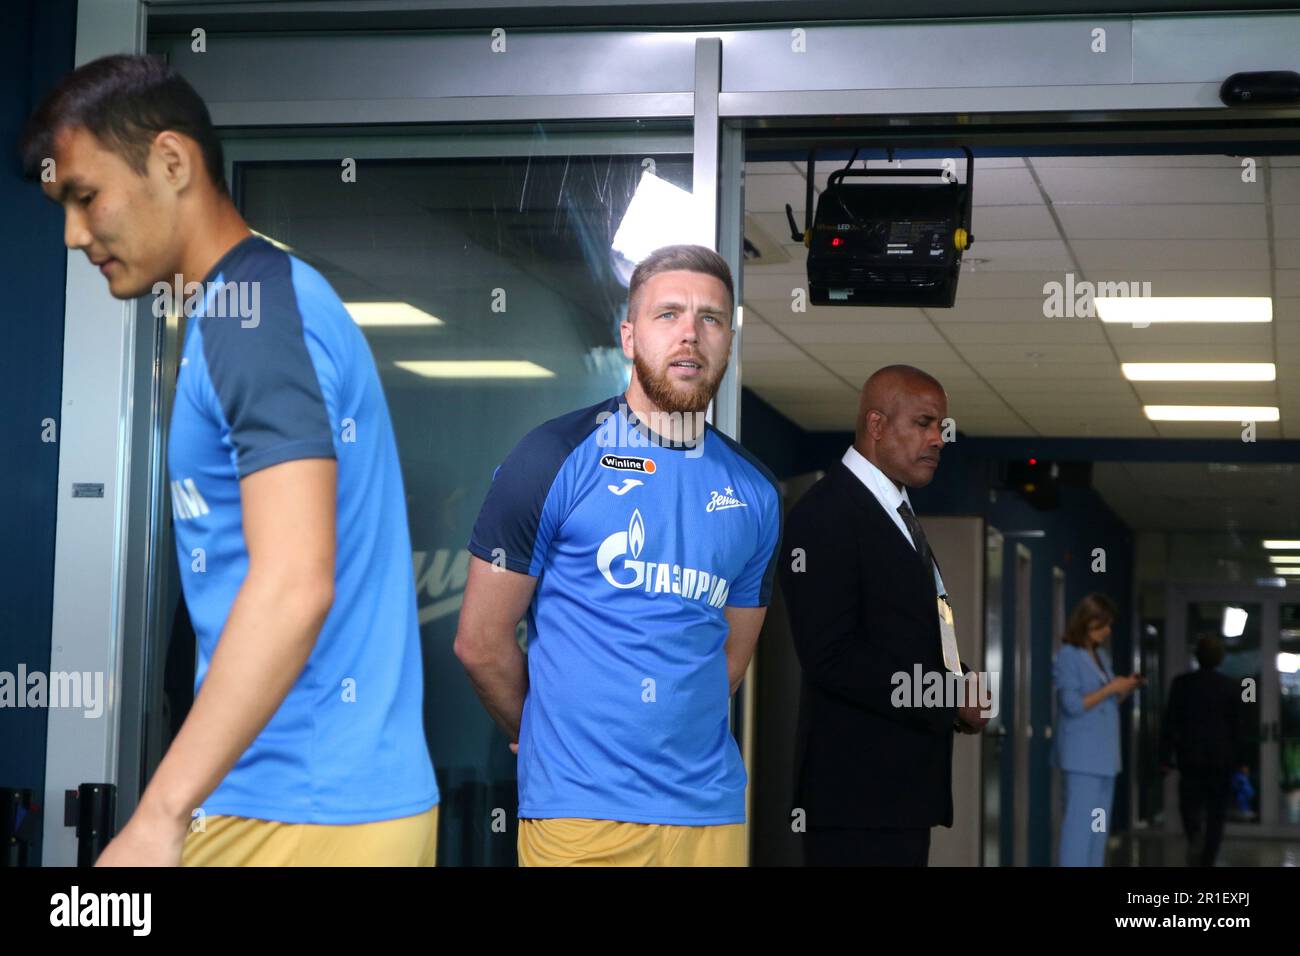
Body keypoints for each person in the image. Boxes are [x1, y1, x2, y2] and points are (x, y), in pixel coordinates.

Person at [22, 54, 438, 865]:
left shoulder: (251, 320)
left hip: (302, 811)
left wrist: (156, 815)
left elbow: (293, 583)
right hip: (297, 801)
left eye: (85, 196)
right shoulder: (241, 310)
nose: (75, 234)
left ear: (172, 162)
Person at [454, 244, 781, 866]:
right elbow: (479, 641)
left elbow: (726, 665)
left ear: (728, 342)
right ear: (629, 337)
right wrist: (541, 735)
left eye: (711, 319)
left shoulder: (757, 493)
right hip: (580, 813)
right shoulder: (550, 459)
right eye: (669, 315)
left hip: (708, 816)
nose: (690, 334)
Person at [779, 364, 988, 867]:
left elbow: (907, 633)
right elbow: (830, 655)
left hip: (899, 796)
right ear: (876, 425)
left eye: (941, 427)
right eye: (924, 423)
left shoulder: (895, 509)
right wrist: (943, 694)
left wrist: (958, 682)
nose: (939, 439)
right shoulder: (826, 513)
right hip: (857, 799)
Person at [1052, 593, 1141, 867]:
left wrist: (1122, 688)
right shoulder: (1068, 656)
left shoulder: (1100, 655)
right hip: (1082, 759)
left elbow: (1105, 700)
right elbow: (1072, 704)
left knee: (1097, 831)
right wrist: (1110, 688)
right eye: (1103, 625)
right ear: (1087, 622)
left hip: (1104, 758)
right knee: (1079, 831)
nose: (1108, 631)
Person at [1160, 635, 1249, 866]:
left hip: (1190, 757)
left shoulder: (1181, 684)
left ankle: (1194, 834)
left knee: (1189, 804)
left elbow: (1170, 722)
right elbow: (1238, 728)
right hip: (1221, 760)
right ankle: (1208, 857)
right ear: (1220, 659)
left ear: (1196, 656)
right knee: (1217, 812)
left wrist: (1165, 757)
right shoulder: (1231, 687)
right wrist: (1242, 761)